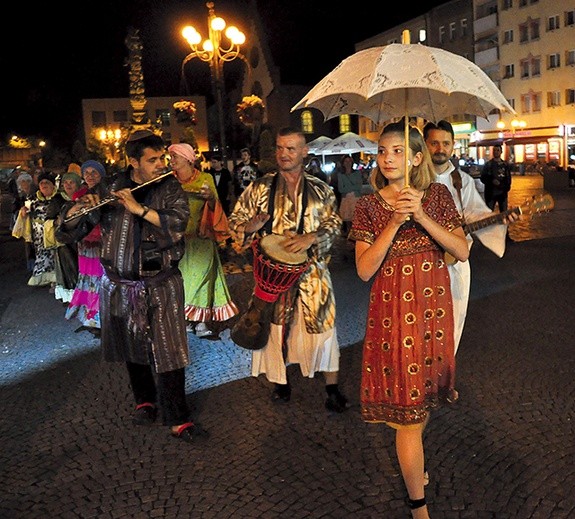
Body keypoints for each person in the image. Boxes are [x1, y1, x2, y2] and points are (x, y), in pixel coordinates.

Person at [349, 121, 470, 519]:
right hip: (394, 322)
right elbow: (365, 270)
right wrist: (395, 222)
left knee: (422, 406)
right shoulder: (368, 207)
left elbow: (462, 250)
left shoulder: (436, 196)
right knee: (408, 418)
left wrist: (420, 215)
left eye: (398, 151)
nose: (387, 158)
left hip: (433, 316)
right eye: (383, 151)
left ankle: (415, 468)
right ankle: (420, 508)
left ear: (417, 157)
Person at [59, 130, 204, 443]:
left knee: (168, 350)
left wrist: (138, 209)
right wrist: (74, 212)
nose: (160, 164)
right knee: (132, 345)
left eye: (161, 158)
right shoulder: (110, 187)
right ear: (132, 161)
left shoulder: (169, 187)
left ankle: (177, 416)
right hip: (121, 284)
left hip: (160, 282)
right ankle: (145, 401)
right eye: (152, 160)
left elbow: (179, 224)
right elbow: (74, 230)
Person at [228, 127, 348, 412]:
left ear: (304, 152)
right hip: (273, 279)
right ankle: (280, 383)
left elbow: (334, 224)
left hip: (313, 274)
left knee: (324, 331)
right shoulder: (259, 188)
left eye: (291, 148)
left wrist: (312, 237)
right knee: (275, 328)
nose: (284, 154)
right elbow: (235, 220)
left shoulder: (322, 189)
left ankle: (332, 388)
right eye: (280, 148)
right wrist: (249, 227)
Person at [423, 120, 518, 353]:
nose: (440, 149)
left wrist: (498, 219)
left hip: (454, 261)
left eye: (445, 143)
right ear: (424, 145)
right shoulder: (415, 179)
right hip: (422, 263)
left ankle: (445, 376)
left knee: (454, 319)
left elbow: (474, 213)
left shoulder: (461, 180)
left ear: (453, 145)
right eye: (434, 143)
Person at [168, 143, 238, 339]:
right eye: (171, 157)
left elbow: (216, 207)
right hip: (179, 242)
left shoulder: (205, 179)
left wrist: (210, 199)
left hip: (201, 239)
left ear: (189, 159)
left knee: (201, 280)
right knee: (183, 281)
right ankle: (189, 319)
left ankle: (201, 321)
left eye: (175, 157)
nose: (171, 160)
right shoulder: (169, 182)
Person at [64, 160, 106, 336]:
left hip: (102, 243)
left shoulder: (107, 193)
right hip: (85, 244)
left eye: (94, 172)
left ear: (101, 174)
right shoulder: (79, 196)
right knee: (88, 279)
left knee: (101, 280)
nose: (89, 176)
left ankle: (101, 318)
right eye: (86, 172)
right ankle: (90, 317)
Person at [12, 171, 58, 288]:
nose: (44, 185)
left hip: (53, 235)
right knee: (42, 257)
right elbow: (26, 213)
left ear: (53, 185)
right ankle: (45, 279)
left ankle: (56, 281)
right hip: (38, 236)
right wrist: (23, 213)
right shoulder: (33, 200)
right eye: (42, 183)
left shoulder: (58, 199)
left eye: (47, 182)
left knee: (54, 257)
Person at [45, 169, 83, 304]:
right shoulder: (57, 200)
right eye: (65, 182)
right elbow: (48, 220)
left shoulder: (83, 197)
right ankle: (72, 299)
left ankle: (83, 296)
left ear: (78, 184)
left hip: (81, 239)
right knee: (69, 270)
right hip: (65, 242)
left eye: (71, 182)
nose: (68, 185)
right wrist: (58, 221)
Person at [480, 144, 512, 212]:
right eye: (494, 150)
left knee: (503, 213)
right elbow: (483, 177)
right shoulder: (488, 165)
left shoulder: (505, 165)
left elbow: (508, 179)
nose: (496, 152)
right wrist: (491, 181)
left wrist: (505, 187)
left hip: (502, 193)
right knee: (489, 213)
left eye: (498, 150)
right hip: (490, 193)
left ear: (501, 152)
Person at [337, 154, 363, 234]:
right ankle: (349, 235)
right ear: (343, 163)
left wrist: (348, 187)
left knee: (356, 220)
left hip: (356, 198)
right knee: (347, 220)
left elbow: (359, 186)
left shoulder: (357, 173)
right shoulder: (341, 175)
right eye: (346, 161)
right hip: (346, 199)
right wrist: (353, 187)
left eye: (349, 161)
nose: (348, 163)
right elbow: (341, 189)